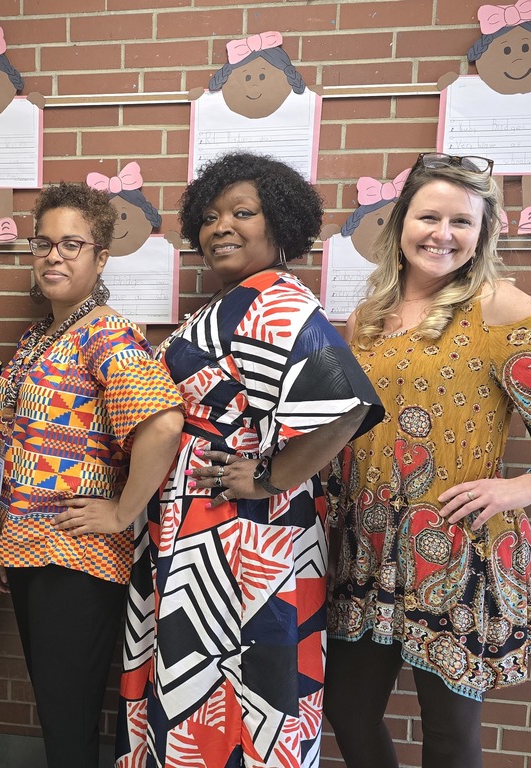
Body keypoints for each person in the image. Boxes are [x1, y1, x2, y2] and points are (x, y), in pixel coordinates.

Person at [115, 152, 384, 768]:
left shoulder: (278, 303)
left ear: (280, 224)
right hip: (205, 527)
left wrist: (268, 476)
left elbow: (347, 406)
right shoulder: (234, 301)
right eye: (209, 217)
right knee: (207, 678)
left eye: (243, 212)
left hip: (242, 535)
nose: (221, 228)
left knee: (241, 678)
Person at [324, 153, 531, 768]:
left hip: (451, 546)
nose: (443, 233)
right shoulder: (365, 318)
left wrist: (515, 490)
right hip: (364, 544)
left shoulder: (502, 306)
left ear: (483, 232)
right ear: (400, 224)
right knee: (349, 709)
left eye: (461, 222)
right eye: (429, 216)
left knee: (447, 731)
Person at [0, 182, 185, 768]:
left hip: (77, 554)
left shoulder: (104, 333)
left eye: (73, 244)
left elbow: (163, 425)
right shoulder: (37, 339)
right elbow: (15, 448)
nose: (54, 255)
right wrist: (5, 534)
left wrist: (122, 512)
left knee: (67, 714)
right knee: (54, 707)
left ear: (101, 257)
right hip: (29, 547)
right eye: (43, 243)